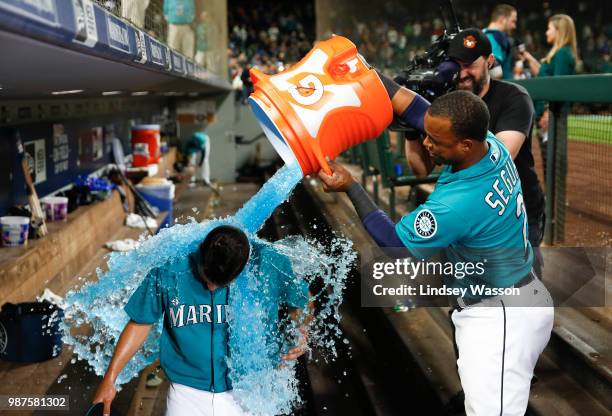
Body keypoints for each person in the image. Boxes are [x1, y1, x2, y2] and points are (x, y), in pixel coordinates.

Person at [319, 88, 554, 415]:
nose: (426, 143)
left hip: (499, 318)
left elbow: (396, 246)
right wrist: (367, 77)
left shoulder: (458, 203)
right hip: (517, 297)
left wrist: (351, 187)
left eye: (435, 140)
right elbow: (418, 109)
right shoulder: (489, 144)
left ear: (464, 145)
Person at [92, 225, 310, 416]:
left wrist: (301, 330)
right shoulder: (169, 270)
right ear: (201, 253)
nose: (211, 288)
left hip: (251, 388)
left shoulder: (269, 265)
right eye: (206, 277)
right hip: (187, 392)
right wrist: (110, 378)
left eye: (221, 284)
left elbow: (302, 302)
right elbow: (140, 322)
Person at [409, 28, 546, 266]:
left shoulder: (514, 97)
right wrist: (411, 126)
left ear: (490, 61)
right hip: (469, 216)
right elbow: (421, 170)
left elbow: (497, 159)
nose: (462, 74)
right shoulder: (446, 102)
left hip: (512, 213)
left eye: (470, 64)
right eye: (455, 65)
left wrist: (422, 113)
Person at [519, 14, 577, 174]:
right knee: (549, 158)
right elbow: (545, 76)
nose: (546, 32)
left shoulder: (563, 53)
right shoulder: (559, 53)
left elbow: (558, 87)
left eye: (549, 28)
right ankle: (552, 197)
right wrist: (529, 59)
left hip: (552, 114)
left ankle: (557, 198)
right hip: (548, 113)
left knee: (554, 158)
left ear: (559, 31)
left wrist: (547, 112)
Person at [483, 4, 517, 79]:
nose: (514, 26)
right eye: (513, 21)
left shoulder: (482, 34)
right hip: (504, 89)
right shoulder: (496, 37)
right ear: (502, 19)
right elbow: (495, 72)